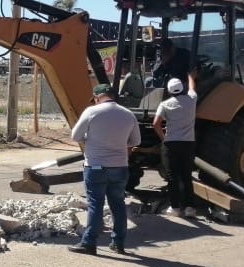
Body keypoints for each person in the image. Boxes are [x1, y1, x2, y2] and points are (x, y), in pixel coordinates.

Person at [69, 83, 142, 255]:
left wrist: (91, 138)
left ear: (97, 97)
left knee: (95, 204)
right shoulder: (128, 114)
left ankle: (89, 243)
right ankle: (118, 243)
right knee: (118, 204)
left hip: (95, 166)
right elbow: (136, 141)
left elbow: (75, 136)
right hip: (120, 167)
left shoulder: (91, 112)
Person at [152, 70, 199, 218]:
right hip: (188, 144)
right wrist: (191, 77)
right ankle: (190, 208)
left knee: (173, 177)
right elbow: (192, 88)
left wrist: (163, 137)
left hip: (171, 144)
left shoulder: (165, 104)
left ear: (169, 90)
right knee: (187, 176)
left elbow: (155, 124)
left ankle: (175, 208)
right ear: (182, 88)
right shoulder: (191, 100)